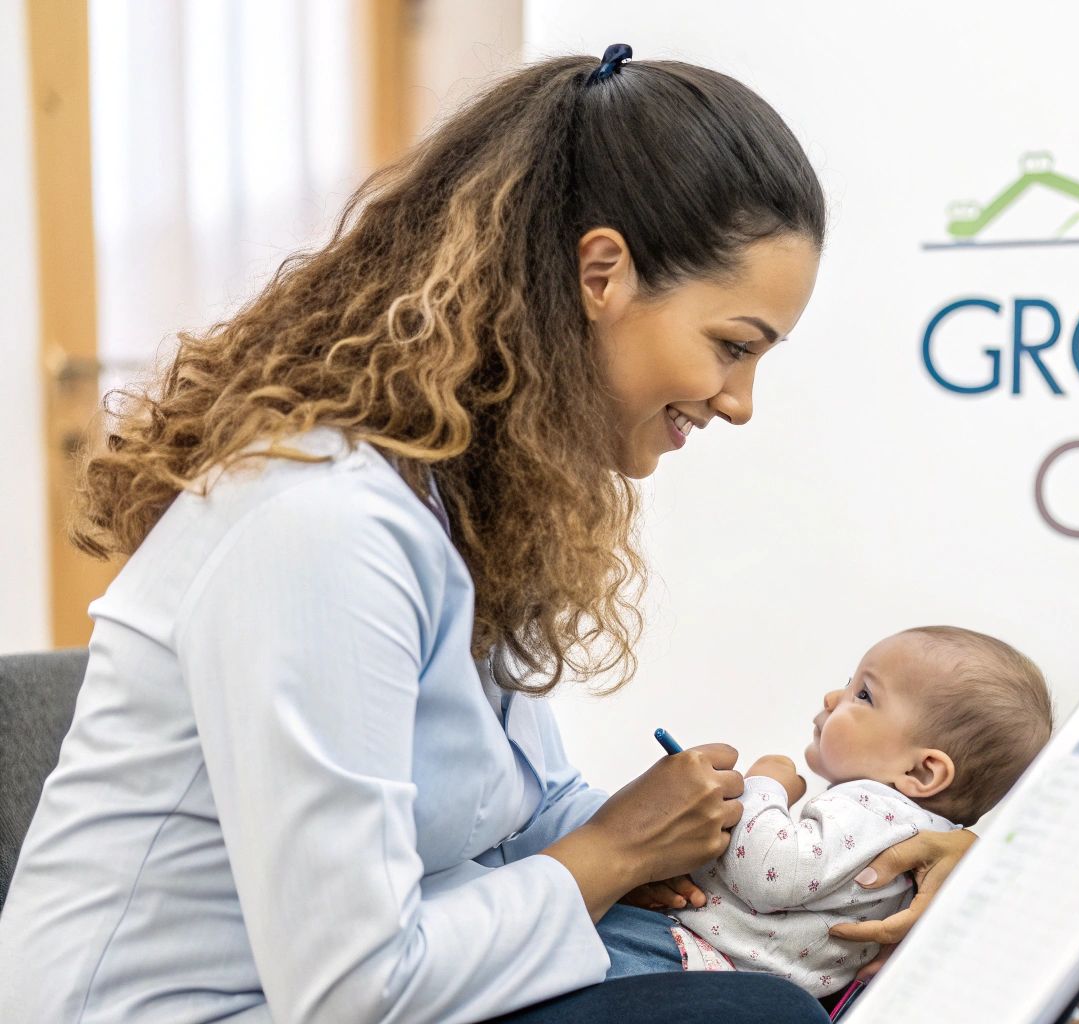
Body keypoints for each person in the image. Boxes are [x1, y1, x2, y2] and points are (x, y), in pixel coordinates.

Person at [0, 47, 974, 1023]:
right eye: (731, 346)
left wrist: (863, 850)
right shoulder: (321, 525)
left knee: (779, 983)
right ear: (602, 274)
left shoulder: (467, 496)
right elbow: (354, 991)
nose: (738, 401)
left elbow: (516, 813)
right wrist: (613, 851)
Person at [600, 627, 1054, 995]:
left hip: (695, 959)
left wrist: (765, 785)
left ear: (922, 770)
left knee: (575, 949)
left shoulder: (876, 811)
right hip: (724, 967)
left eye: (864, 695)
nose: (833, 698)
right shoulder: (906, 829)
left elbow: (772, 874)